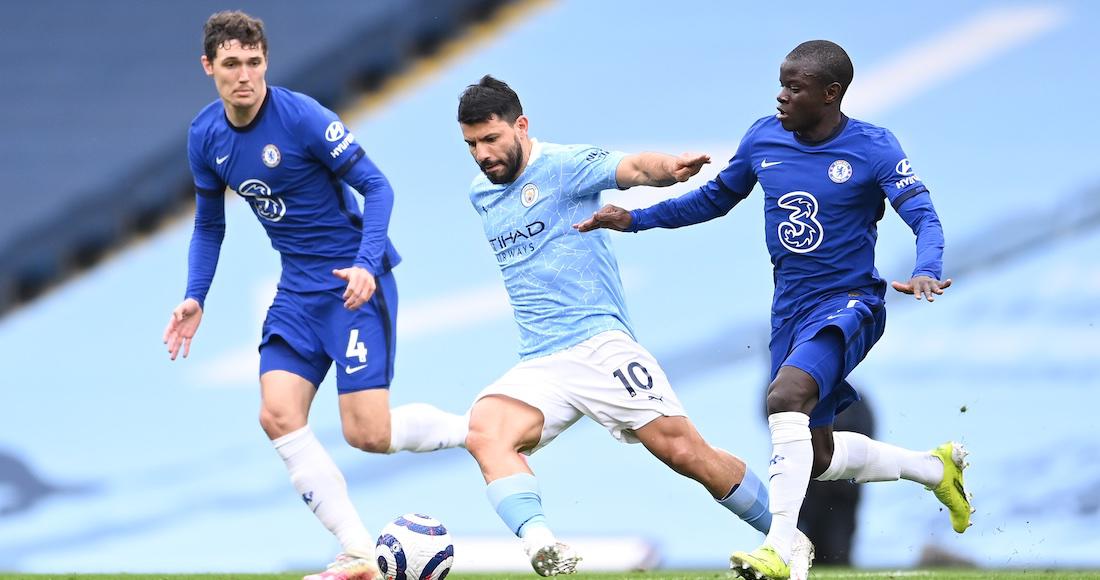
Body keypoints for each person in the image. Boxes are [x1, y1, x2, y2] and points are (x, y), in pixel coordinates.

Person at [574, 40, 973, 580]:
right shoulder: (764, 137)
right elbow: (715, 198)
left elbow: (923, 214)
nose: (781, 96)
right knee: (819, 455)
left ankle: (782, 547)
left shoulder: (873, 147)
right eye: (781, 84)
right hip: (790, 311)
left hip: (850, 302)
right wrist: (637, 219)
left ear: (830, 94)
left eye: (794, 87)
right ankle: (934, 469)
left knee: (784, 397)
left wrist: (927, 266)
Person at [456, 75, 813, 578]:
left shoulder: (563, 165)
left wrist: (671, 169)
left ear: (521, 126)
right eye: (471, 144)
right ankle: (542, 546)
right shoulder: (481, 193)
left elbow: (634, 167)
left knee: (686, 452)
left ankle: (788, 540)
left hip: (599, 345)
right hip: (540, 361)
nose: (482, 155)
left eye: (491, 139)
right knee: (485, 431)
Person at [162, 11, 467, 580]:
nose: (244, 76)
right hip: (297, 290)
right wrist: (195, 296)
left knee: (367, 434)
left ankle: (474, 431)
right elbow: (209, 225)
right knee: (277, 414)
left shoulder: (302, 117)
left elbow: (377, 187)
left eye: (254, 62)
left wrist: (366, 265)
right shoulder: (205, 135)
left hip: (352, 284)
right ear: (209, 67)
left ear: (266, 62)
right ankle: (359, 553)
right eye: (231, 64)